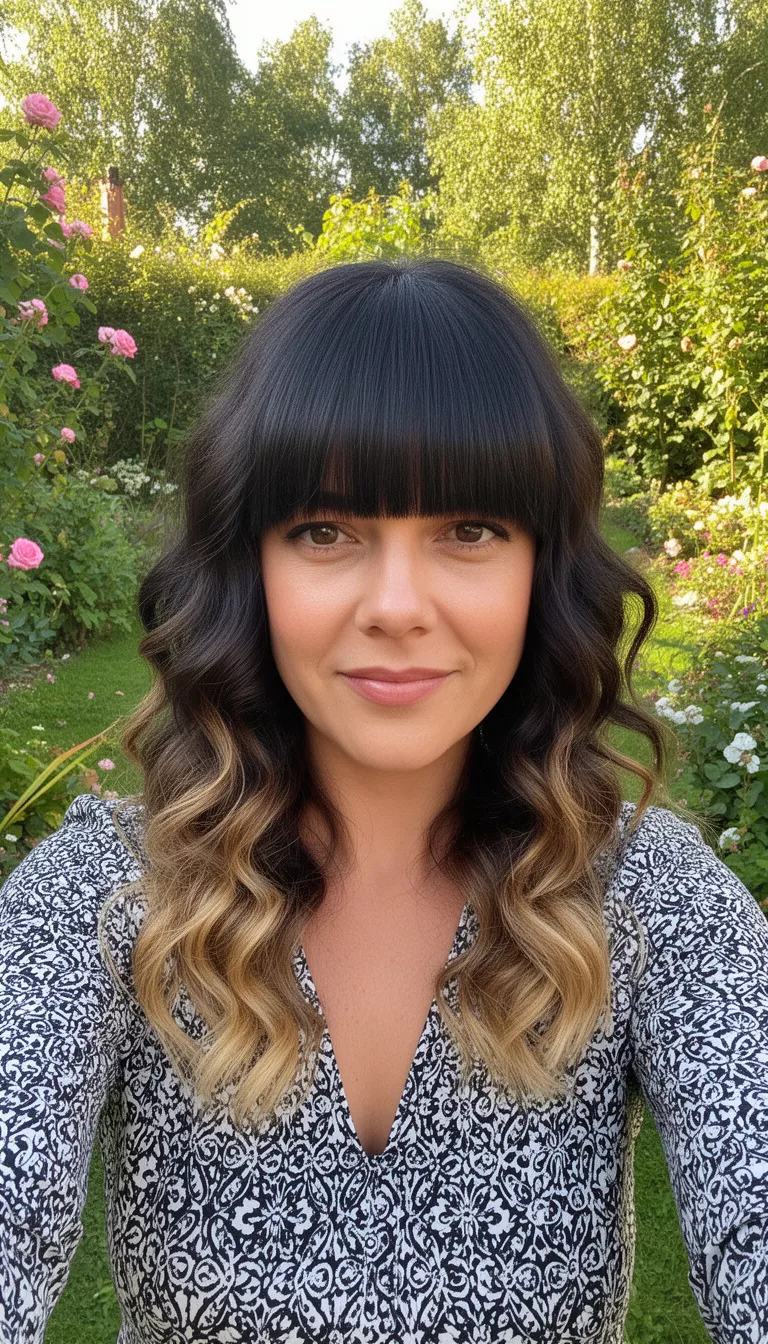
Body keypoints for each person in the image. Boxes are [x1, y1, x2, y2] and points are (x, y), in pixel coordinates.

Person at [0, 256, 766, 1344]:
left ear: (541, 570)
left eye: (470, 530)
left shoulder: (650, 901)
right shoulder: (108, 897)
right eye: (325, 530)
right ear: (248, 566)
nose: (397, 606)